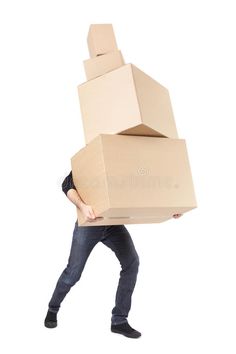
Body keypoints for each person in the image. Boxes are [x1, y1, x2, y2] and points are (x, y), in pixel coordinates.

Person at [44, 171, 182, 338]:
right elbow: (67, 184)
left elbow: (145, 190)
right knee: (73, 273)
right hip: (89, 224)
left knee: (132, 262)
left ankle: (119, 321)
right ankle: (53, 308)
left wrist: (168, 209)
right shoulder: (92, 157)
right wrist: (82, 206)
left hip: (113, 223)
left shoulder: (124, 160)